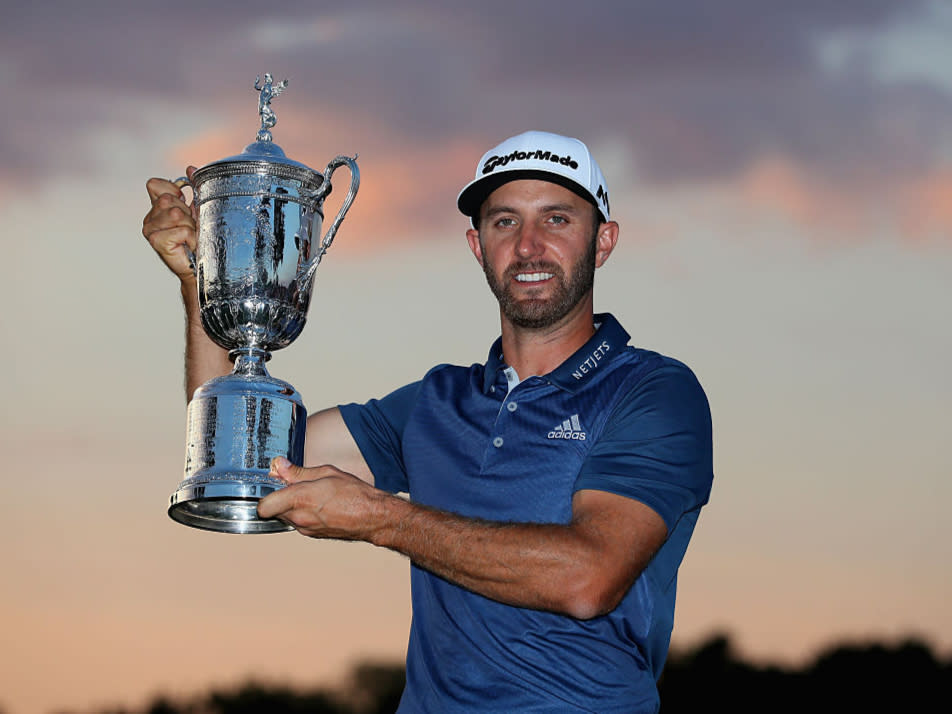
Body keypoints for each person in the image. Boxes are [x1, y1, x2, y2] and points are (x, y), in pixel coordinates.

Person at [143, 130, 714, 713]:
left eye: (558, 220)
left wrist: (382, 519)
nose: (529, 246)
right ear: (476, 244)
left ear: (604, 241)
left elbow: (589, 577)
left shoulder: (654, 392)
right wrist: (199, 284)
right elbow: (236, 454)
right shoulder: (437, 401)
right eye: (505, 222)